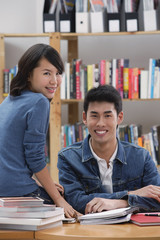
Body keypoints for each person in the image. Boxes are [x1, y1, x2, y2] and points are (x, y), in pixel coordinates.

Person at [0, 43, 78, 218]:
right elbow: (34, 158)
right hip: (16, 192)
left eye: (58, 73)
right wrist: (58, 200)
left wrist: (42, 184)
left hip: (4, 189)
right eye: (46, 73)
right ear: (28, 74)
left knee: (55, 188)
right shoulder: (39, 102)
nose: (54, 81)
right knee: (74, 197)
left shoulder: (10, 99)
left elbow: (11, 154)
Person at [58, 84, 160, 214]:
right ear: (85, 118)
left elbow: (157, 200)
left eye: (107, 116)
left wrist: (120, 202)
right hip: (88, 232)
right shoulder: (68, 158)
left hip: (132, 232)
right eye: (94, 116)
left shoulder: (141, 157)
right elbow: (74, 201)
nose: (100, 123)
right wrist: (131, 194)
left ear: (119, 117)